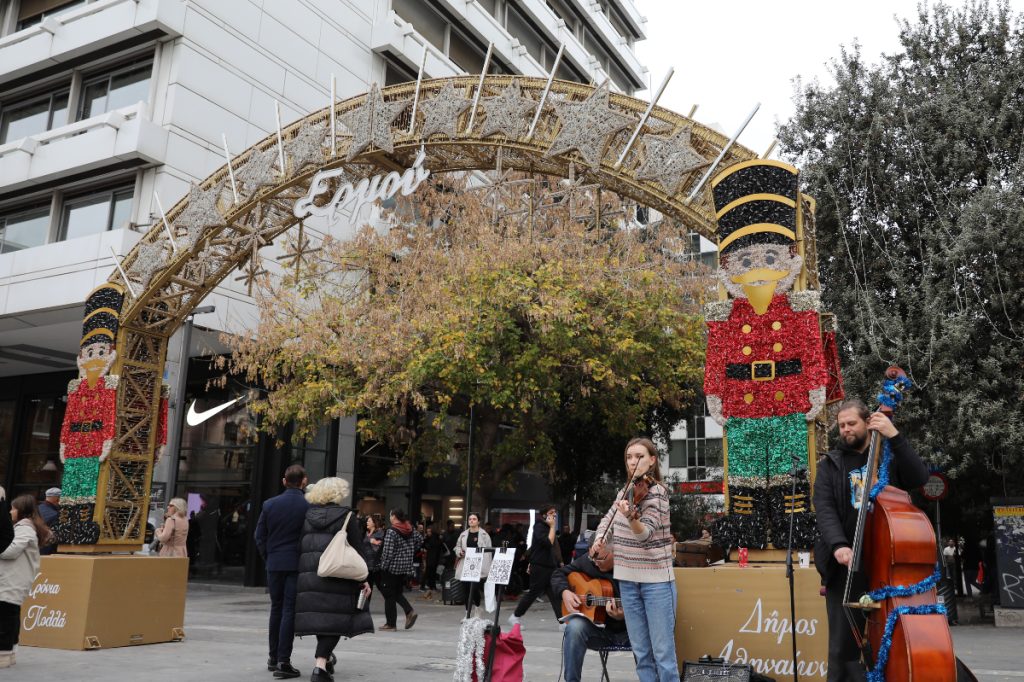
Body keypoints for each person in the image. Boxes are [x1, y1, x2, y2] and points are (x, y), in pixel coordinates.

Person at [813, 398, 929, 682]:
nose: (846, 429)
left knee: (894, 640)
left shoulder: (888, 456)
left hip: (888, 565)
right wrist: (839, 545)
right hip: (847, 568)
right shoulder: (830, 464)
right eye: (841, 425)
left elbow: (919, 477)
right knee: (842, 648)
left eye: (851, 423)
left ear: (868, 422)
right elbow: (824, 509)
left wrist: (894, 436)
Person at [592, 438, 678, 682]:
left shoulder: (658, 493)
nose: (633, 462)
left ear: (652, 461)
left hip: (657, 583)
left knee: (663, 655)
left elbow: (645, 535)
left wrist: (631, 518)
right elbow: (607, 521)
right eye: (629, 457)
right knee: (641, 654)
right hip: (627, 581)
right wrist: (599, 540)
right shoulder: (624, 492)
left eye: (639, 456)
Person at [294, 477, 372, 682]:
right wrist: (364, 578)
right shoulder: (346, 516)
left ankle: (326, 660)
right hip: (338, 577)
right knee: (335, 621)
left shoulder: (308, 516)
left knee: (323, 619)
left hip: (311, 576)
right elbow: (357, 549)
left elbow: (301, 545)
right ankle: (319, 667)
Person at [254, 464, 310, 680]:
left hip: (275, 563)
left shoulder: (270, 504)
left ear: (284, 481)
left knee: (276, 608)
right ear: (304, 481)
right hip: (296, 563)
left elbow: (259, 536)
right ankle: (283, 661)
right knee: (289, 610)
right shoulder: (308, 505)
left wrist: (269, 557)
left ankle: (273, 657)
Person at [551, 551, 630, 682]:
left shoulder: (631, 563)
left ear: (614, 551)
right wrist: (564, 591)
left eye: (600, 558)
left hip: (630, 632)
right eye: (593, 558)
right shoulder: (589, 560)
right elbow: (558, 574)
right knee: (574, 627)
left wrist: (625, 616)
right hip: (599, 631)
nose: (595, 562)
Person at [0, 495, 51, 668]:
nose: (10, 511)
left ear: (21, 511)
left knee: (6, 617)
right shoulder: (25, 527)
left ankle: (3, 654)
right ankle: (10, 653)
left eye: (13, 508)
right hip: (14, 578)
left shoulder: (24, 528)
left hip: (12, 579)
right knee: (11, 615)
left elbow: (9, 551)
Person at [509, 504, 562, 625]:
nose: (554, 514)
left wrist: (558, 561)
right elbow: (548, 543)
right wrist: (552, 527)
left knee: (554, 594)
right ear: (544, 515)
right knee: (534, 593)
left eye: (555, 512)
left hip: (549, 566)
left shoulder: (548, 527)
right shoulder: (539, 526)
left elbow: (552, 547)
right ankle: (515, 615)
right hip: (540, 566)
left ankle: (562, 621)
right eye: (551, 512)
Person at [377, 508, 419, 631]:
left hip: (392, 567)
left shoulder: (392, 531)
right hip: (404, 567)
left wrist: (383, 566)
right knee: (396, 592)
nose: (390, 517)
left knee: (388, 594)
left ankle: (391, 624)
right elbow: (420, 540)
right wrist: (409, 552)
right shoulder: (410, 529)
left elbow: (387, 552)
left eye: (390, 515)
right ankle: (409, 611)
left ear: (394, 516)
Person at [455, 512, 492, 606]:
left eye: (474, 519)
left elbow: (488, 552)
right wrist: (459, 552)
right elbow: (457, 546)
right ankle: (467, 611)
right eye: (470, 519)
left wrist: (486, 567)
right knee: (465, 588)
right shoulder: (463, 534)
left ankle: (477, 608)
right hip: (465, 563)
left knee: (474, 588)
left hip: (478, 564)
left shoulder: (484, 535)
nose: (471, 521)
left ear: (478, 522)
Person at [363, 513, 385, 592]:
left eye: (369, 521)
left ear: (374, 523)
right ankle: (367, 600)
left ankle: (390, 598)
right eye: (367, 521)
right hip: (367, 564)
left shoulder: (379, 533)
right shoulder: (366, 533)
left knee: (380, 587)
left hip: (375, 565)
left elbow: (382, 546)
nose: (367, 522)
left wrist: (375, 542)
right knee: (368, 587)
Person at [421, 525, 443, 597]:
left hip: (431, 557)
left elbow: (426, 546)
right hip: (434, 558)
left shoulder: (431, 539)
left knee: (429, 572)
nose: (428, 533)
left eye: (429, 532)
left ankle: (428, 586)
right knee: (431, 572)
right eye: (427, 532)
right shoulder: (436, 538)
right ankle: (431, 586)